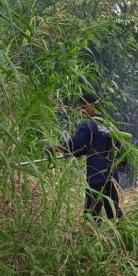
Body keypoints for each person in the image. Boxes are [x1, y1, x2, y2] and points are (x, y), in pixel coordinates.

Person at [55, 93, 123, 222]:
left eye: (83, 107)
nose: (82, 111)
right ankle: (121, 236)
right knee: (114, 210)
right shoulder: (110, 125)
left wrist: (57, 149)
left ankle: (92, 238)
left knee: (92, 211)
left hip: (96, 173)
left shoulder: (88, 126)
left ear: (92, 106)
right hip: (112, 174)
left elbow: (75, 144)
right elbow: (106, 147)